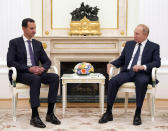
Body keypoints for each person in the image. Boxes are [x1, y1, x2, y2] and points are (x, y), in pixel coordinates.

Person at [98, 24, 161, 125]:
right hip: (127, 72)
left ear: (145, 35)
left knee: (142, 82)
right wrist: (111, 64)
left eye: (137, 34)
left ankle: (137, 113)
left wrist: (143, 66)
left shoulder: (154, 46)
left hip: (142, 73)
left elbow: (157, 62)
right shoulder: (129, 44)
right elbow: (121, 60)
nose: (134, 36)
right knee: (113, 81)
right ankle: (108, 112)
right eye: (134, 33)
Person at [7, 18, 61, 128]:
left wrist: (43, 69)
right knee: (35, 79)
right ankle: (34, 116)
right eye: (31, 28)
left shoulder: (37, 44)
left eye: (35, 28)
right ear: (24, 28)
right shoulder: (14, 43)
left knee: (55, 77)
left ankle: (50, 113)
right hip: (21, 73)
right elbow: (10, 62)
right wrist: (29, 69)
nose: (34, 31)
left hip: (37, 72)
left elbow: (47, 61)